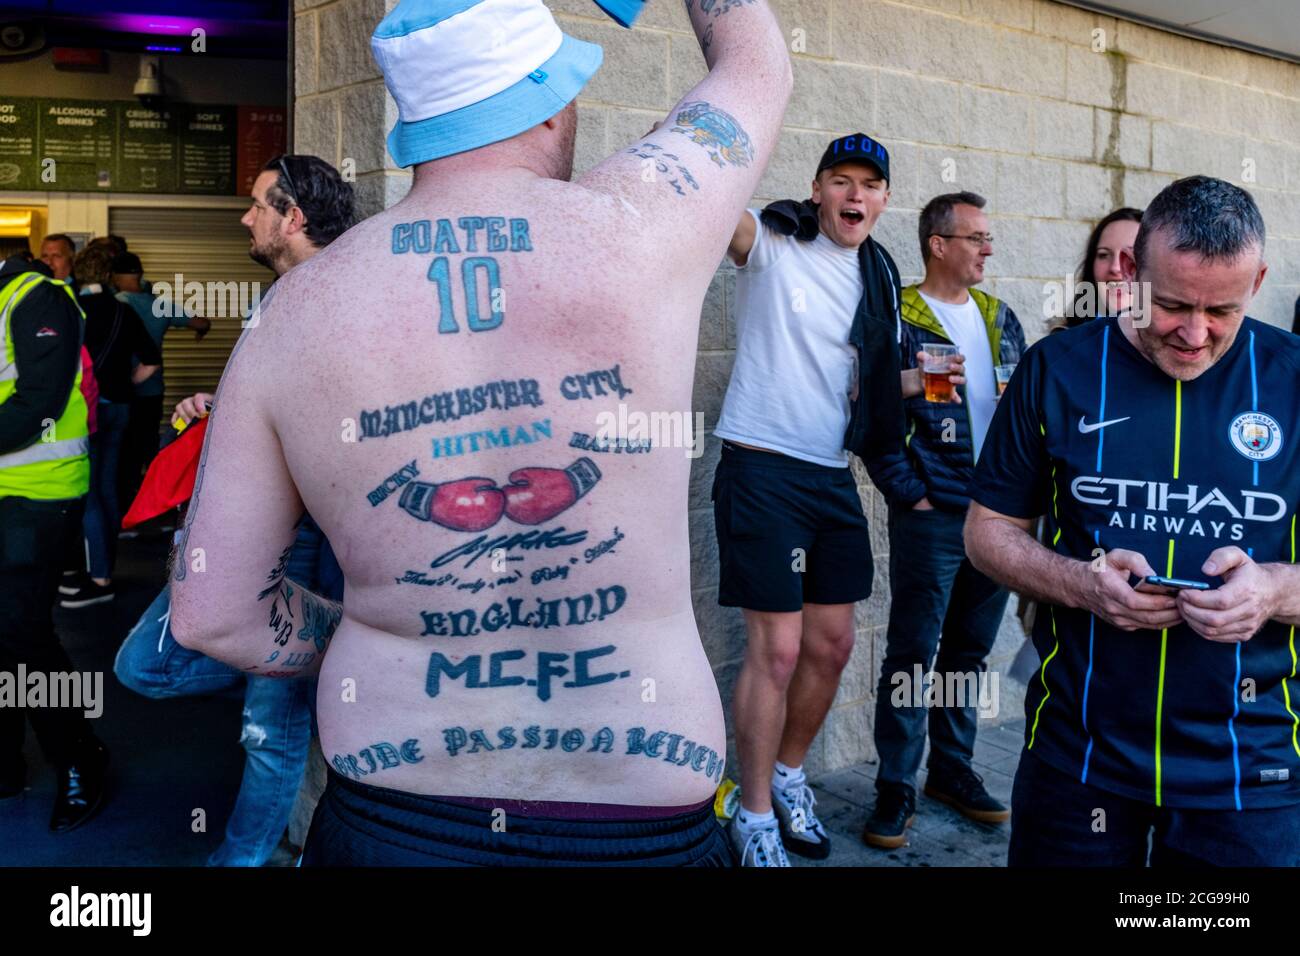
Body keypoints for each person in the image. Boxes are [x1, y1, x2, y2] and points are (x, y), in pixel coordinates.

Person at [168, 0, 792, 867]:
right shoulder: (645, 224)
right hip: (640, 809)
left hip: (395, 812)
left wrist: (380, 630)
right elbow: (757, 65)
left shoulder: (295, 313)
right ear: (547, 105)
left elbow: (212, 615)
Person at [965, 175, 1300, 866]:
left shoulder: (1293, 378)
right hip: (1078, 753)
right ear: (1127, 270)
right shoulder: (1056, 367)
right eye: (1173, 303)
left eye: (1223, 310)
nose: (1195, 332)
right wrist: (1081, 582)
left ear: (1259, 280)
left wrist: (1272, 589)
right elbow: (987, 533)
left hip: (1253, 771)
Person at [114, 154, 353, 866]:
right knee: (145, 666)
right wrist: (221, 411)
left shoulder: (335, 293)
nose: (245, 218)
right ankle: (322, 658)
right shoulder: (279, 296)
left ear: (295, 217)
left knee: (268, 723)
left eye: (256, 205)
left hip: (302, 532)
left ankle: (241, 861)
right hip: (256, 526)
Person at [714, 129, 942, 866]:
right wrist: (692, 141)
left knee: (832, 646)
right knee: (775, 652)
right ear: (816, 191)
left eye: (869, 185)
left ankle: (786, 776)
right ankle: (750, 814)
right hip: (762, 467)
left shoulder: (877, 274)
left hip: (829, 473)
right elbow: (714, 210)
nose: (854, 194)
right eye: (839, 180)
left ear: (883, 201)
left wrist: (928, 385)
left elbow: (863, 385)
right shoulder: (773, 244)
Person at [862, 192, 1026, 848]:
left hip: (996, 518)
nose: (988, 249)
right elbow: (872, 415)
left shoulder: (999, 316)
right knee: (913, 651)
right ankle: (896, 784)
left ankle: (950, 771)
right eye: (976, 238)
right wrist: (910, 493)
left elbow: (1022, 416)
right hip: (932, 518)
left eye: (988, 238)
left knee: (967, 651)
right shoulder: (896, 317)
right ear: (938, 244)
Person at [0, 253, 108, 831]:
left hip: (39, 494)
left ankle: (79, 757)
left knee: (24, 633)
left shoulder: (38, 296)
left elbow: (39, 400)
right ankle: (5, 764)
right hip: (5, 490)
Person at [60, 244, 160, 608]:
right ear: (110, 274)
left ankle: (97, 577)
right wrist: (124, 384)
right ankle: (103, 569)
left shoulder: (70, 310)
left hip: (87, 411)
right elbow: (151, 362)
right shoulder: (124, 310)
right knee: (109, 486)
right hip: (120, 407)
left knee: (87, 493)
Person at [112, 251, 210, 517]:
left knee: (123, 453)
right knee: (149, 448)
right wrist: (201, 332)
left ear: (116, 277)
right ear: (140, 275)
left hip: (123, 390)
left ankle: (128, 511)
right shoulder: (160, 304)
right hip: (153, 390)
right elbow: (202, 322)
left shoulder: (115, 303)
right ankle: (160, 509)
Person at [1061, 207, 1144, 330]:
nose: (1115, 268)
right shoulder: (1061, 343)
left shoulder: (1178, 340)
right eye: (1104, 255)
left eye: (1131, 256)